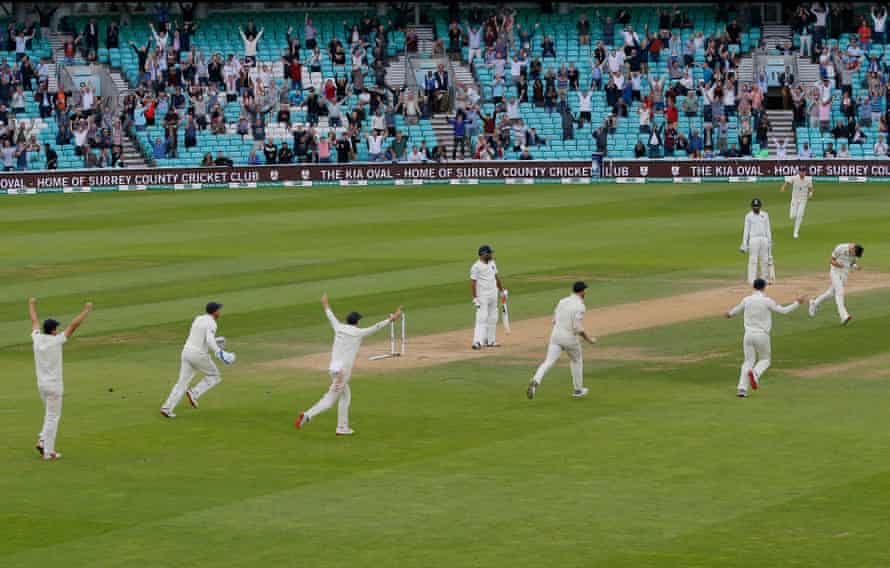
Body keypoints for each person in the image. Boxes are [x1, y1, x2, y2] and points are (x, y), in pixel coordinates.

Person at [295, 294, 403, 435]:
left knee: (345, 396)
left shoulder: (338, 327)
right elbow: (376, 327)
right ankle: (308, 415)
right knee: (329, 400)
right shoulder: (358, 332)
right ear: (357, 322)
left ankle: (342, 427)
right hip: (342, 372)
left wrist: (325, 303)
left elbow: (330, 315)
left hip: (333, 368)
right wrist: (392, 318)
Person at [29, 297, 93, 460]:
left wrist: (31, 304)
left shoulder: (37, 338)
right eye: (56, 327)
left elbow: (34, 320)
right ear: (53, 330)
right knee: (52, 417)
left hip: (41, 385)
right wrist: (86, 311)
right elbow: (74, 326)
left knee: (48, 415)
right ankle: (49, 452)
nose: (58, 329)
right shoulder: (57, 341)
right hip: (54, 387)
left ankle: (42, 440)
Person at [726, 279, 804, 398]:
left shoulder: (746, 300)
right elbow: (783, 311)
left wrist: (729, 314)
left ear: (753, 287)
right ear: (764, 287)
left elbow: (735, 311)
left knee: (748, 361)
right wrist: (797, 303)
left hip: (748, 335)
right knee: (765, 360)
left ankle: (742, 389)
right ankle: (756, 374)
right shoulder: (767, 301)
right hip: (762, 335)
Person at [160, 302, 236, 418]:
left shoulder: (198, 318)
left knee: (182, 382)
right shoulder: (212, 323)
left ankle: (167, 408)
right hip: (198, 355)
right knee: (215, 376)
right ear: (214, 311)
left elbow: (200, 337)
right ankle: (194, 393)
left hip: (186, 352)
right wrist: (219, 353)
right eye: (219, 310)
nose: (220, 312)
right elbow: (209, 340)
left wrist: (216, 341)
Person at [526, 281, 596, 400]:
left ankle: (536, 379)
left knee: (548, 362)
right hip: (569, 338)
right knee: (577, 360)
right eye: (585, 290)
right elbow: (577, 327)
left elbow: (554, 320)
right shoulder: (580, 306)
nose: (585, 292)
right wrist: (589, 339)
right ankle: (578, 390)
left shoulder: (562, 301)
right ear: (581, 291)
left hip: (556, 335)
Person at [809, 243, 864, 325]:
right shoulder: (840, 248)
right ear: (853, 249)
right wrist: (838, 265)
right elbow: (831, 260)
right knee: (840, 292)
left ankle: (814, 303)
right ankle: (844, 316)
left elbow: (852, 263)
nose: (855, 255)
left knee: (830, 294)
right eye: (855, 254)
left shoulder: (855, 253)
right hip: (835, 272)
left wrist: (856, 267)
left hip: (844, 274)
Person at [470, 245, 506, 350]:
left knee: (493, 318)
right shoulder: (476, 266)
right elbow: (473, 283)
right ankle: (477, 341)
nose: (491, 255)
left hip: (493, 294)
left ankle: (491, 340)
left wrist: (501, 291)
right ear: (483, 254)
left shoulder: (492, 263)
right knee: (482, 318)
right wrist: (475, 298)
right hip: (483, 296)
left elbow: (496, 277)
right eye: (489, 253)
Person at [740, 198, 772, 284]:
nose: (756, 208)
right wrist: (744, 244)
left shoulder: (765, 215)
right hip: (753, 239)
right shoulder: (748, 216)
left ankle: (765, 279)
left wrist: (769, 241)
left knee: (764, 260)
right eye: (754, 207)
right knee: (753, 260)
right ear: (752, 207)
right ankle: (751, 280)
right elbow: (746, 230)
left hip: (764, 239)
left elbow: (768, 229)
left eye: (757, 206)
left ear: (760, 207)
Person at [779, 170, 814, 239]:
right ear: (799, 172)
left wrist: (811, 193)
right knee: (792, 216)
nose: (802, 173)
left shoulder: (808, 179)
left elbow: (811, 188)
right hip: (794, 199)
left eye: (803, 172)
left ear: (805, 172)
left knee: (799, 216)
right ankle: (796, 217)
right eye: (801, 171)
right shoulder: (794, 178)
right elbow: (787, 183)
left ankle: (796, 232)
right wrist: (783, 187)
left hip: (803, 200)